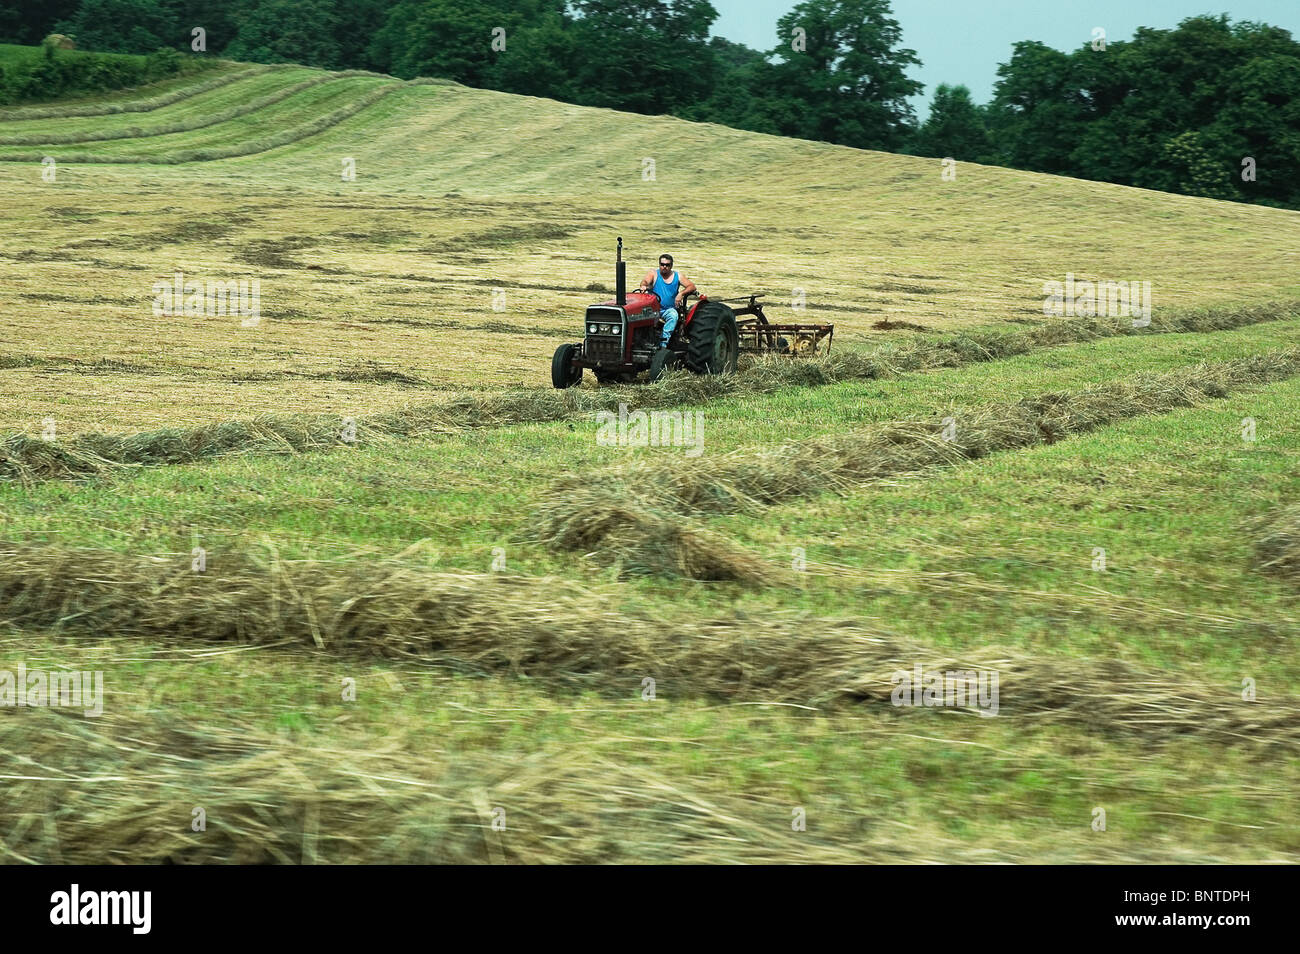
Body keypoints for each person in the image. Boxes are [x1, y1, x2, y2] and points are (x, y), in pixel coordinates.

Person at [636, 253, 697, 347]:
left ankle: (663, 344)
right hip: (653, 309)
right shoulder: (653, 273)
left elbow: (692, 286)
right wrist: (643, 286)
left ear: (671, 266)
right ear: (659, 264)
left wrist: (681, 294)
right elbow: (645, 281)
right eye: (662, 264)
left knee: (673, 315)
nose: (664, 267)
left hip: (668, 309)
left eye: (667, 265)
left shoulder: (677, 276)